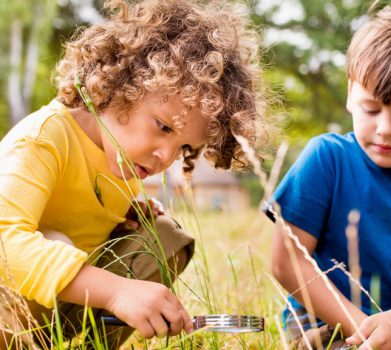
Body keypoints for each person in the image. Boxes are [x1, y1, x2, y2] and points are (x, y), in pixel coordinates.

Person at [0, 0, 267, 348]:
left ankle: (90, 343)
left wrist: (125, 219)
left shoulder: (119, 159)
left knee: (165, 237)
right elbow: (5, 239)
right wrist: (115, 292)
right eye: (164, 127)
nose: (166, 157)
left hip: (49, 310)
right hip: (7, 306)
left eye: (185, 149)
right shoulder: (44, 139)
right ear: (119, 86)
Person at [270, 3, 391, 350]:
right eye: (371, 109)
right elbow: (287, 262)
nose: (385, 129)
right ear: (351, 92)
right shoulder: (326, 159)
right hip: (330, 327)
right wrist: (373, 332)